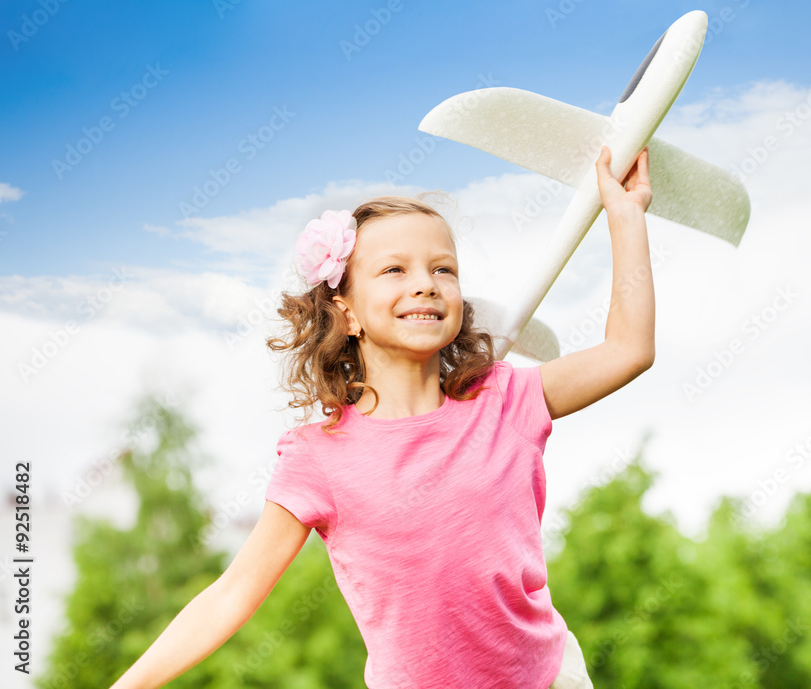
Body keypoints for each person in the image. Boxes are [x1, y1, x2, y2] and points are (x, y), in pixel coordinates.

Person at [108, 145, 655, 688]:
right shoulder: (318, 456)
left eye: (444, 268)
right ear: (346, 312)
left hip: (546, 677)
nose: (425, 282)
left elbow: (629, 349)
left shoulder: (506, 400)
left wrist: (626, 218)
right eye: (394, 269)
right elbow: (232, 594)